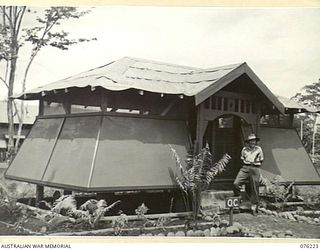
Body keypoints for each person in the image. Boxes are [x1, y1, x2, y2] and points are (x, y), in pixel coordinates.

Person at [233, 133, 264, 215]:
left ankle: (254, 207)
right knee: (236, 183)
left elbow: (261, 160)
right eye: (251, 141)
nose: (252, 143)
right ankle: (240, 199)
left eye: (253, 141)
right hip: (245, 168)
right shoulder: (244, 149)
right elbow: (242, 158)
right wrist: (246, 162)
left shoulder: (259, 149)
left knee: (254, 188)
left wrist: (255, 163)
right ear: (248, 142)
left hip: (255, 168)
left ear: (255, 141)